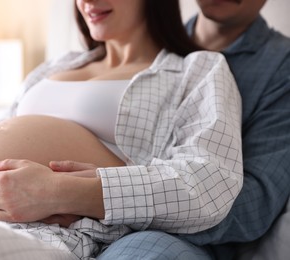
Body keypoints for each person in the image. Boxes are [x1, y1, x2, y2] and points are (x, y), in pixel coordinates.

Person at [0, 0, 242, 259]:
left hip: (40, 230)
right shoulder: (57, 65)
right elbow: (12, 128)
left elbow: (209, 184)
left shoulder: (197, 71)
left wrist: (58, 191)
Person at [97, 0, 290, 259]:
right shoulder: (143, 38)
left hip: (171, 239)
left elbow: (257, 203)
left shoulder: (281, 65)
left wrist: (114, 200)